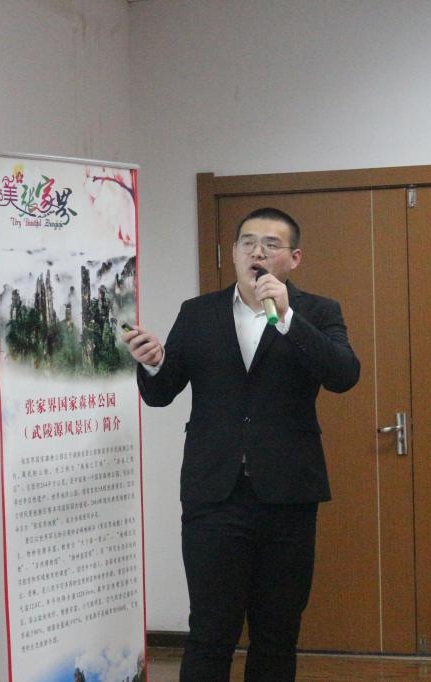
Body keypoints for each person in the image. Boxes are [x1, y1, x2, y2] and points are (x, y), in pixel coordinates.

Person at [123, 207, 360, 681]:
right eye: (248, 242)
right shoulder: (198, 313)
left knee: (277, 632)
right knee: (211, 630)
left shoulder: (318, 312)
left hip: (288, 496)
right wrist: (152, 362)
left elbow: (343, 375)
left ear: (294, 258)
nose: (258, 252)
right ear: (233, 253)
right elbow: (162, 392)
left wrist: (287, 317)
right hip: (215, 495)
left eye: (271, 245)